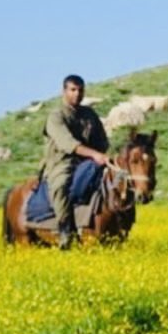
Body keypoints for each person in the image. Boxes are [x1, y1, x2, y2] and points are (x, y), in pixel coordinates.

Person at [41, 74, 110, 250]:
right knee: (60, 185)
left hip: (88, 161)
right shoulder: (56, 116)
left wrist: (102, 154)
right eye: (73, 90)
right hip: (63, 162)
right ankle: (65, 230)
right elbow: (68, 144)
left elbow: (102, 140)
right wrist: (94, 154)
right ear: (64, 91)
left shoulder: (89, 114)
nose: (77, 94)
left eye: (80, 90)